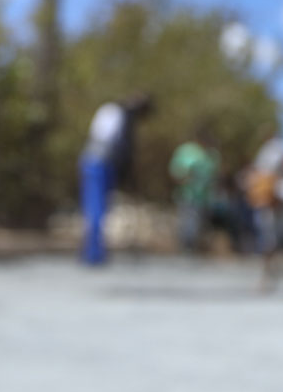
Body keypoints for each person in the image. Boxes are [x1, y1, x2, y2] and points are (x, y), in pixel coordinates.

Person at [79, 93, 153, 265]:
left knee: (101, 210)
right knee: (95, 209)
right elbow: (108, 143)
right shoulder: (113, 112)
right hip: (97, 164)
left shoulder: (121, 116)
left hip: (103, 165)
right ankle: (93, 253)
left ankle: (95, 252)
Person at [168, 134, 219, 254]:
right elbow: (179, 171)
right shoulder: (190, 152)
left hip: (201, 196)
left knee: (196, 221)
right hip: (187, 194)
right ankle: (187, 246)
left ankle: (192, 246)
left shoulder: (209, 155)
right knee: (188, 220)